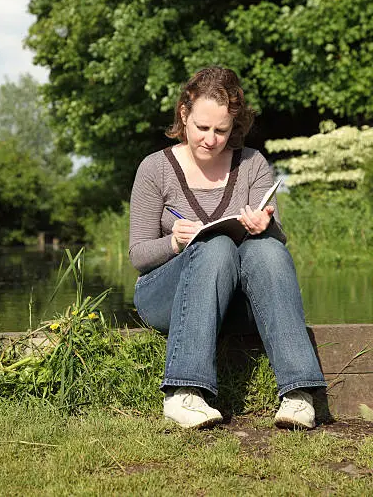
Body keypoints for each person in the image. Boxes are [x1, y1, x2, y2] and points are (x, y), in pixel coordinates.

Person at [129, 66, 326, 430]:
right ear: (184, 115)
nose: (211, 139)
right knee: (215, 245)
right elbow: (138, 254)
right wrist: (174, 242)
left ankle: (299, 394)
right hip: (165, 297)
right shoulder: (154, 168)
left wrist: (265, 228)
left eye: (221, 130)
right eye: (202, 128)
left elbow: (273, 254)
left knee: (267, 249)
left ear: (235, 125)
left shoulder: (252, 165)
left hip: (236, 301)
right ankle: (183, 392)